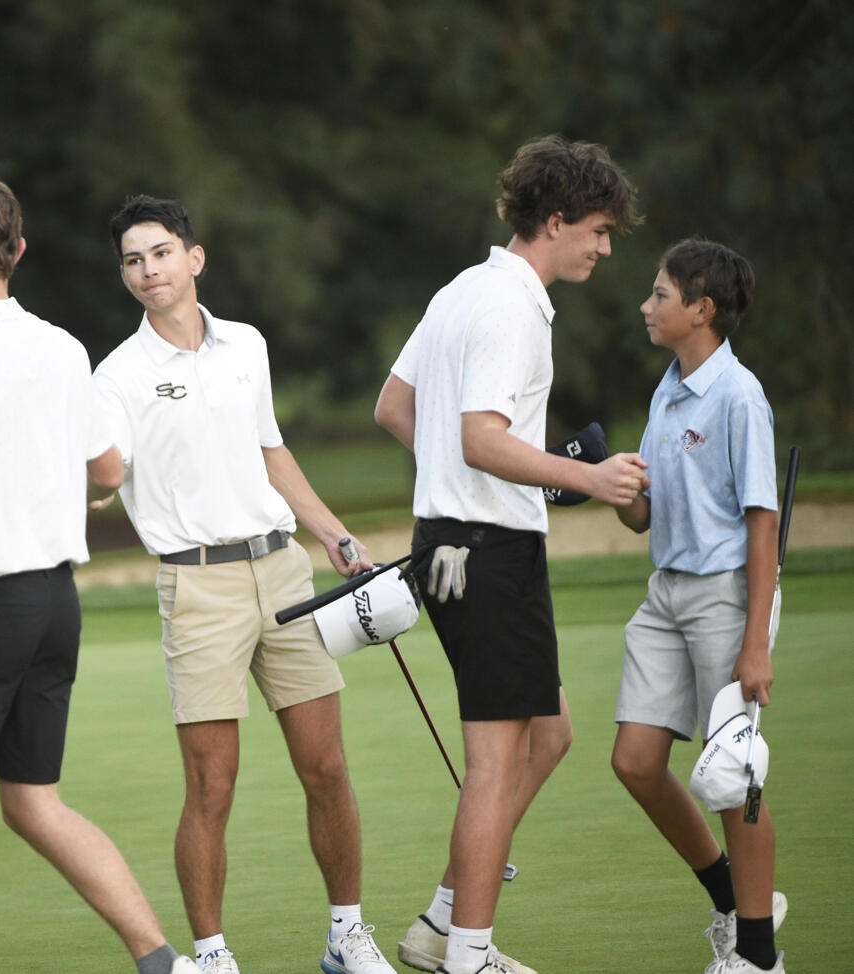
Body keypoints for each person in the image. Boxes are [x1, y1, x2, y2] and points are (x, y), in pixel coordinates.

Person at [0, 173, 195, 974]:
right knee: (32, 800)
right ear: (18, 251)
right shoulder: (63, 347)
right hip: (56, 602)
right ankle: (161, 958)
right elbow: (108, 469)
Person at [92, 194, 395, 974]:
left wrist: (332, 532)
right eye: (132, 259)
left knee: (326, 766)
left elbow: (272, 452)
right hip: (197, 588)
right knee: (211, 786)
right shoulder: (118, 375)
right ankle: (214, 953)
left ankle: (347, 934)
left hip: (284, 569)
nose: (147, 269)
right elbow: (103, 476)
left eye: (159, 252)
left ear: (194, 258)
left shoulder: (247, 345)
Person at [374, 135, 646, 974]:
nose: (604, 248)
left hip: (464, 544)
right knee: (494, 763)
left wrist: (456, 488)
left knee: (551, 732)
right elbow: (483, 440)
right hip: (485, 554)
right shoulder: (508, 306)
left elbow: (393, 408)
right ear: (555, 219)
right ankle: (469, 954)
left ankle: (443, 924)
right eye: (597, 230)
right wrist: (587, 477)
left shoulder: (466, 289)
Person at [610, 238, 787, 973]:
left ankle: (757, 953)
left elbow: (763, 522)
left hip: (722, 595)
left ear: (701, 309)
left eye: (660, 295)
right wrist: (620, 490)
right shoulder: (669, 383)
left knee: (731, 776)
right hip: (664, 593)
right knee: (636, 761)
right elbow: (646, 514)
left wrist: (754, 644)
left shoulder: (738, 396)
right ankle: (731, 897)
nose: (647, 307)